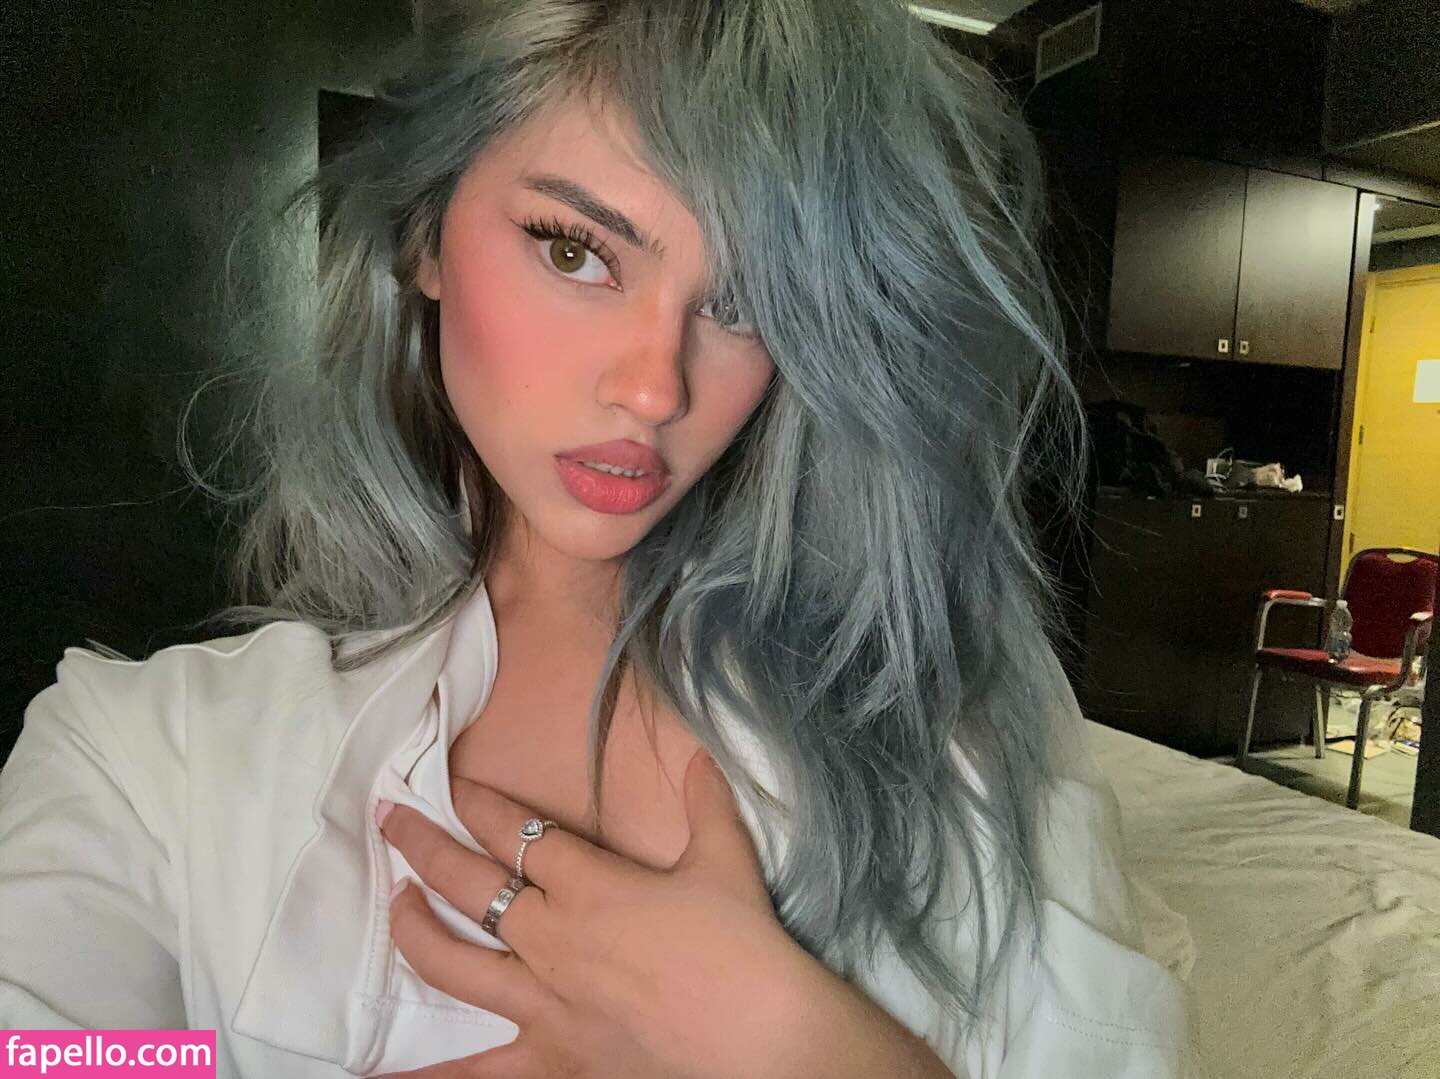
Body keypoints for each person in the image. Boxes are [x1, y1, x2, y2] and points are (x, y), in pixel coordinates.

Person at [0, 0, 1202, 1075]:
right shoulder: (149, 754)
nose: (653, 386)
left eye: (745, 301)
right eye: (575, 250)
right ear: (425, 238)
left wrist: (819, 1056)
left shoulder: (959, 714)